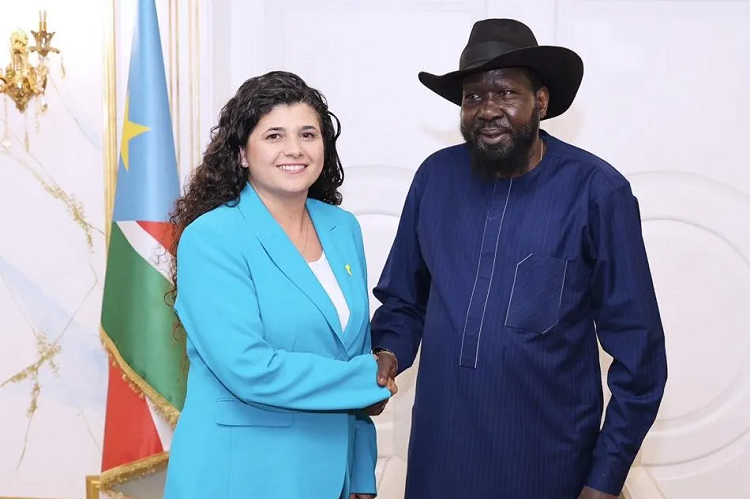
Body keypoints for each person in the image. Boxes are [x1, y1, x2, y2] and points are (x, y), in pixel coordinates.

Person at [368, 19, 668, 499]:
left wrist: (605, 478)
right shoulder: (435, 179)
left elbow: (641, 353)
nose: (488, 110)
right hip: (439, 457)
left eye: (505, 93)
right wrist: (387, 353)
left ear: (540, 102)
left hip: (550, 465)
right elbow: (405, 300)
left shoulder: (597, 192)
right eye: (473, 97)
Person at [163, 71, 395, 499]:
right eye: (274, 135)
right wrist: (366, 381)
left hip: (332, 476)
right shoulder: (211, 238)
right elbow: (248, 368)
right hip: (240, 476)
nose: (295, 149)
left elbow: (354, 348)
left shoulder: (342, 228)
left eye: (308, 134)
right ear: (242, 154)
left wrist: (361, 471)